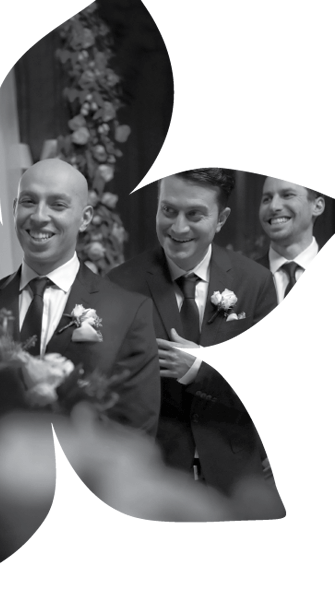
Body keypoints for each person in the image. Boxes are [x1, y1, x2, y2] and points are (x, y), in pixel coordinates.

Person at [0, 158, 160, 436]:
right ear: (15, 209)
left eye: (57, 205)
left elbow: (136, 429)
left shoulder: (128, 311)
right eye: (29, 201)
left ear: (85, 218)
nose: (39, 216)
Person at [107, 169, 277, 495]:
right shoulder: (120, 285)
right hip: (155, 476)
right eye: (168, 210)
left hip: (237, 474)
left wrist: (201, 370)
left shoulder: (255, 282)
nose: (178, 227)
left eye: (194, 214)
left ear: (221, 219)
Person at [256, 177, 325, 303]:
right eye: (267, 199)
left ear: (317, 206)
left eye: (287, 195)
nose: (273, 206)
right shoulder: (242, 278)